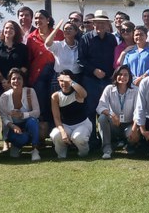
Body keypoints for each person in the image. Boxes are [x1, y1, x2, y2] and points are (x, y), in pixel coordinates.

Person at [78, 9, 118, 150]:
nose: (100, 26)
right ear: (93, 24)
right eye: (97, 23)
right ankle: (92, 140)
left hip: (108, 80)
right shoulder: (85, 38)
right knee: (90, 110)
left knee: (107, 110)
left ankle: (107, 139)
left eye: (103, 23)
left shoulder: (112, 39)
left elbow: (114, 59)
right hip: (91, 80)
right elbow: (81, 60)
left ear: (107, 25)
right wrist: (94, 70)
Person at [27, 9, 62, 133]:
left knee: (56, 102)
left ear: (48, 20)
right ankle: (42, 134)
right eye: (36, 18)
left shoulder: (59, 34)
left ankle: (56, 131)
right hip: (39, 75)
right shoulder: (31, 37)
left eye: (41, 18)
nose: (37, 20)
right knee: (42, 104)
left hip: (56, 72)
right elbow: (29, 58)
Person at [97, 65, 140, 159]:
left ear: (129, 77)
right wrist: (111, 114)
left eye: (126, 75)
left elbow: (138, 110)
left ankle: (129, 145)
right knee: (102, 118)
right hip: (114, 124)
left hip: (129, 124)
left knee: (134, 132)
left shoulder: (136, 90)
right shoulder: (109, 88)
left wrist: (134, 128)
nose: (123, 77)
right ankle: (107, 148)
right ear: (116, 75)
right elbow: (100, 107)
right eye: (120, 74)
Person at [0, 68, 41, 161]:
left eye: (19, 78)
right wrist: (13, 126)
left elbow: (37, 112)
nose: (16, 81)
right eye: (13, 79)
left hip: (27, 124)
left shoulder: (30, 91)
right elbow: (4, 118)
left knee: (33, 121)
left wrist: (22, 115)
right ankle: (16, 145)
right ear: (9, 81)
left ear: (23, 80)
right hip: (12, 127)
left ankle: (35, 149)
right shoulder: (4, 96)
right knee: (23, 138)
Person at [50, 70, 90, 158]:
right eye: (61, 81)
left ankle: (83, 153)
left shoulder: (78, 93)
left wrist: (70, 81)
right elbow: (56, 118)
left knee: (78, 137)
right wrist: (63, 132)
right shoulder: (55, 96)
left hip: (82, 124)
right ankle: (61, 155)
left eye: (66, 81)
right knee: (56, 135)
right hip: (66, 126)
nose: (63, 83)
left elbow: (84, 94)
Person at [0, 20, 29, 102]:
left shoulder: (22, 48)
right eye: (6, 28)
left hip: (17, 84)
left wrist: (13, 81)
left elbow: (25, 66)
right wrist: (3, 81)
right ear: (3, 30)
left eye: (12, 28)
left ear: (16, 31)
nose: (8, 30)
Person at [45, 19, 82, 87]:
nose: (67, 30)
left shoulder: (80, 46)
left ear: (76, 31)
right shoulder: (58, 45)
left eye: (70, 29)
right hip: (60, 78)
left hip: (76, 78)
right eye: (65, 29)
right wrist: (56, 29)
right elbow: (47, 43)